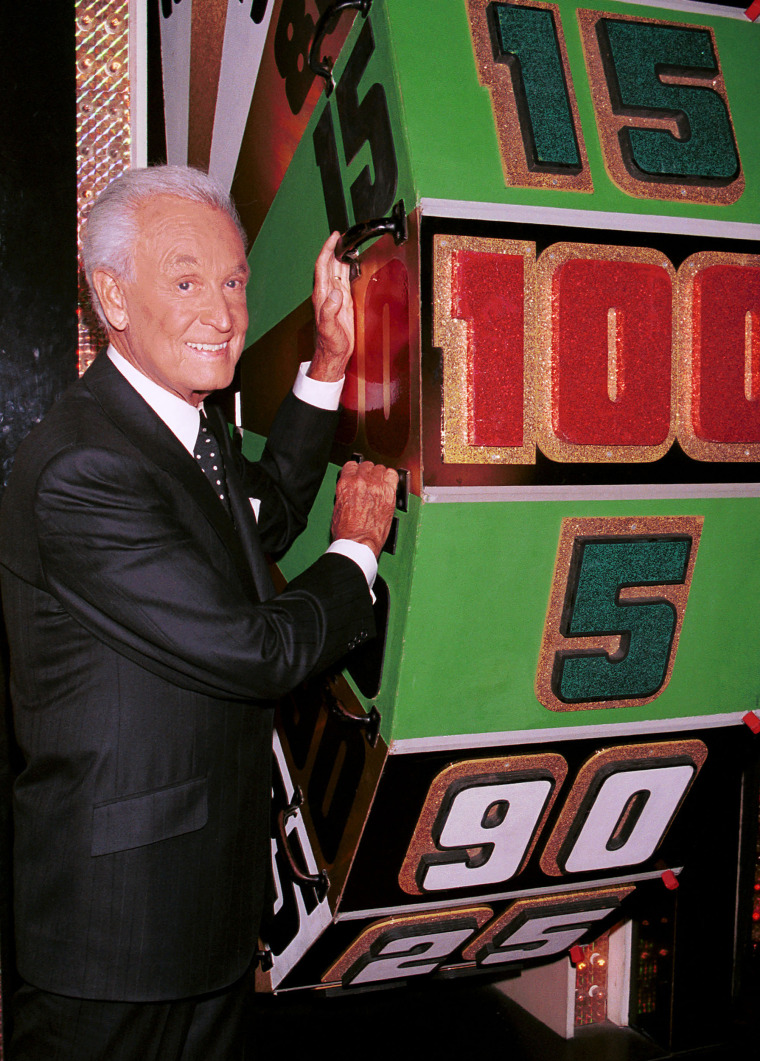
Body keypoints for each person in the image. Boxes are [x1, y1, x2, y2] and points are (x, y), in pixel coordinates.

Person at [0, 165, 398, 1060]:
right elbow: (255, 650)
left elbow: (268, 514)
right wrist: (358, 552)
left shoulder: (181, 432)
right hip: (117, 943)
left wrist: (327, 368)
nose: (222, 314)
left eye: (233, 282)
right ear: (113, 295)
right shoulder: (86, 469)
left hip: (203, 920)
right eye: (186, 283)